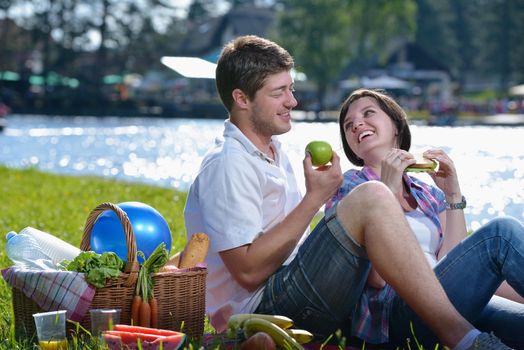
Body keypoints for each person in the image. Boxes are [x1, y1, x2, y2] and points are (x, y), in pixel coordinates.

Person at [183, 35, 512, 349]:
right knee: (377, 197)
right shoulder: (227, 164)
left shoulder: (273, 153)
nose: (293, 101)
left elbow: (449, 257)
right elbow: (247, 271)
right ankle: (465, 340)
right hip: (264, 308)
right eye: (278, 92)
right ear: (242, 99)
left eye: (291, 89)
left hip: (301, 293)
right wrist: (315, 199)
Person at [326, 88, 524, 347]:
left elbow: (451, 261)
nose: (357, 124)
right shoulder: (349, 188)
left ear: (396, 125)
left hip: (452, 302)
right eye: (348, 125)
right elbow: (376, 278)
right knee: (501, 233)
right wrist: (387, 191)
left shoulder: (427, 192)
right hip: (398, 312)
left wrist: (453, 195)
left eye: (368, 113)